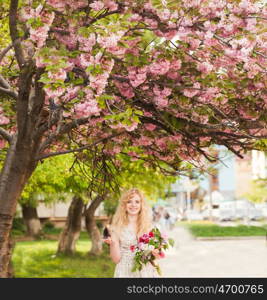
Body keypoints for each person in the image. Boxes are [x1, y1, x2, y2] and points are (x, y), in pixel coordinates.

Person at [103, 188, 161, 278]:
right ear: (124, 205)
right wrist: (113, 244)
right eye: (129, 201)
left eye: (137, 202)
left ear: (141, 205)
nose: (133, 205)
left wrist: (156, 253)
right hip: (125, 271)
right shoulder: (116, 227)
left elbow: (155, 256)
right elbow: (116, 259)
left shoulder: (149, 227)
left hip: (146, 271)